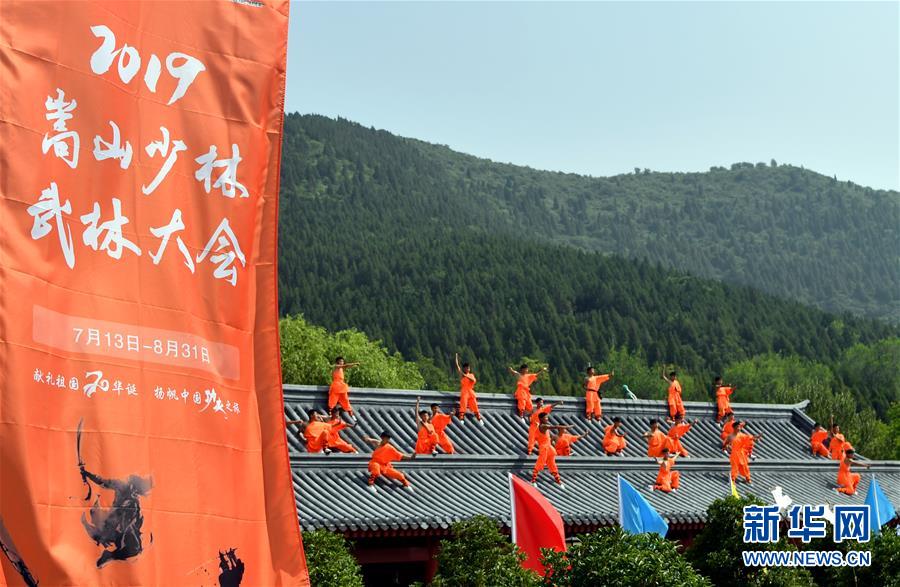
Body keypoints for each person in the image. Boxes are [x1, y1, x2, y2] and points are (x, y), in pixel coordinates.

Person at [531, 412, 569, 487]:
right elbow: (553, 427)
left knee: (552, 464)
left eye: (547, 417)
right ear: (541, 419)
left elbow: (547, 437)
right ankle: (533, 480)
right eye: (546, 417)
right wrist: (564, 427)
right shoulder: (543, 426)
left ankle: (558, 480)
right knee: (540, 463)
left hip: (549, 448)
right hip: (544, 448)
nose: (547, 419)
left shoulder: (543, 427)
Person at [455, 353, 483, 424]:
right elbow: (458, 367)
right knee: (463, 403)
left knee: (474, 403)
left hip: (470, 391)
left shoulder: (471, 375)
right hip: (464, 391)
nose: (468, 369)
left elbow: (473, 380)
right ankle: (461, 416)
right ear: (464, 368)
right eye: (466, 368)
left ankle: (478, 416)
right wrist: (456, 358)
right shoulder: (462, 375)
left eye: (468, 368)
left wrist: (466, 375)